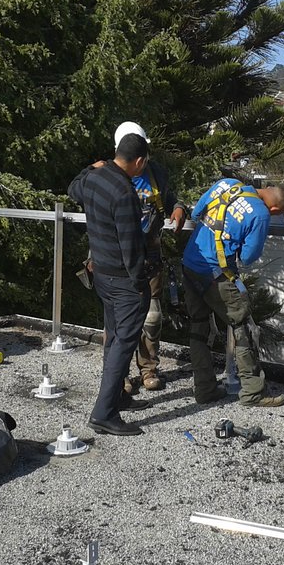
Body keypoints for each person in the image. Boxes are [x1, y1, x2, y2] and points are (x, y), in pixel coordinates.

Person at [181, 178, 284, 407]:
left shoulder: (227, 183)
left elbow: (196, 214)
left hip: (190, 263)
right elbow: (247, 256)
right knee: (244, 327)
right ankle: (253, 392)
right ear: (275, 209)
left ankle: (205, 390)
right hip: (216, 274)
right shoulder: (261, 214)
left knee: (198, 327)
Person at [68, 132, 153, 436]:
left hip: (101, 274)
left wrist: (89, 168)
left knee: (114, 337)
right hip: (123, 280)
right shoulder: (124, 193)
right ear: (139, 161)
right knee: (122, 344)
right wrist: (140, 283)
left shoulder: (95, 178)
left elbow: (72, 189)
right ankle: (104, 414)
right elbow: (131, 246)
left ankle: (117, 397)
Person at [111, 122, 187, 392]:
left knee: (152, 317)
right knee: (119, 320)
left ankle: (148, 369)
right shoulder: (108, 175)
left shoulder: (156, 173)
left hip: (149, 255)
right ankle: (118, 375)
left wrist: (178, 209)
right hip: (117, 258)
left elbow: (171, 199)